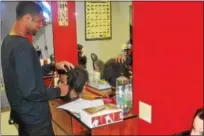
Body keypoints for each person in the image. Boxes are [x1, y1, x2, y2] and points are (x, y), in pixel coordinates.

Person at [1, 2, 74, 136]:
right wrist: (59, 90)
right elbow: (30, 91)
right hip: (36, 122)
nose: (41, 25)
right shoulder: (23, 47)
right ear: (27, 18)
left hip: (22, 116)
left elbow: (28, 76)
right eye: (39, 21)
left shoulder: (7, 42)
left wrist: (53, 66)